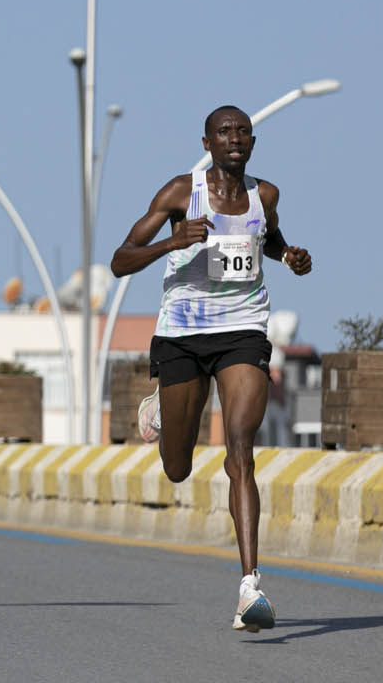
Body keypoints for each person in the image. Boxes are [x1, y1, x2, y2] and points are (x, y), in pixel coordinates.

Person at [110, 105, 311, 632]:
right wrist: (173, 242)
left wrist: (289, 255)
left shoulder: (265, 195)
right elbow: (120, 260)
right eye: (225, 132)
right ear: (207, 141)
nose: (235, 138)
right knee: (177, 466)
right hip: (181, 334)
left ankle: (250, 587)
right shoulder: (181, 192)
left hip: (243, 328)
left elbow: (267, 238)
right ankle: (162, 406)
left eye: (243, 131)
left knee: (240, 448)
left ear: (252, 140)